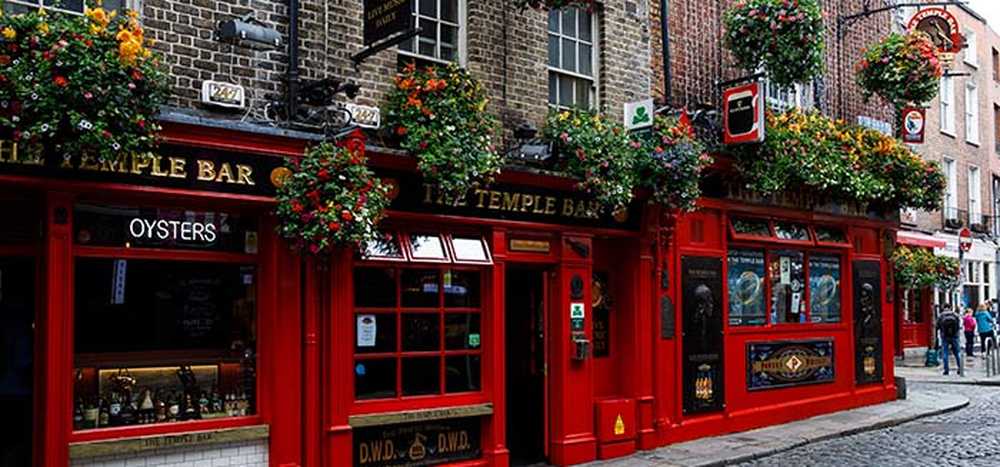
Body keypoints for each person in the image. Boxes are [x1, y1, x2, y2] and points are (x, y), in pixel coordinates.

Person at [936, 307, 963, 376]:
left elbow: (937, 326)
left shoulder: (941, 316)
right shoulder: (955, 315)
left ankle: (946, 370)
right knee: (957, 352)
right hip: (955, 336)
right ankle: (960, 368)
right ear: (950, 308)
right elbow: (959, 326)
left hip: (945, 336)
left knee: (945, 353)